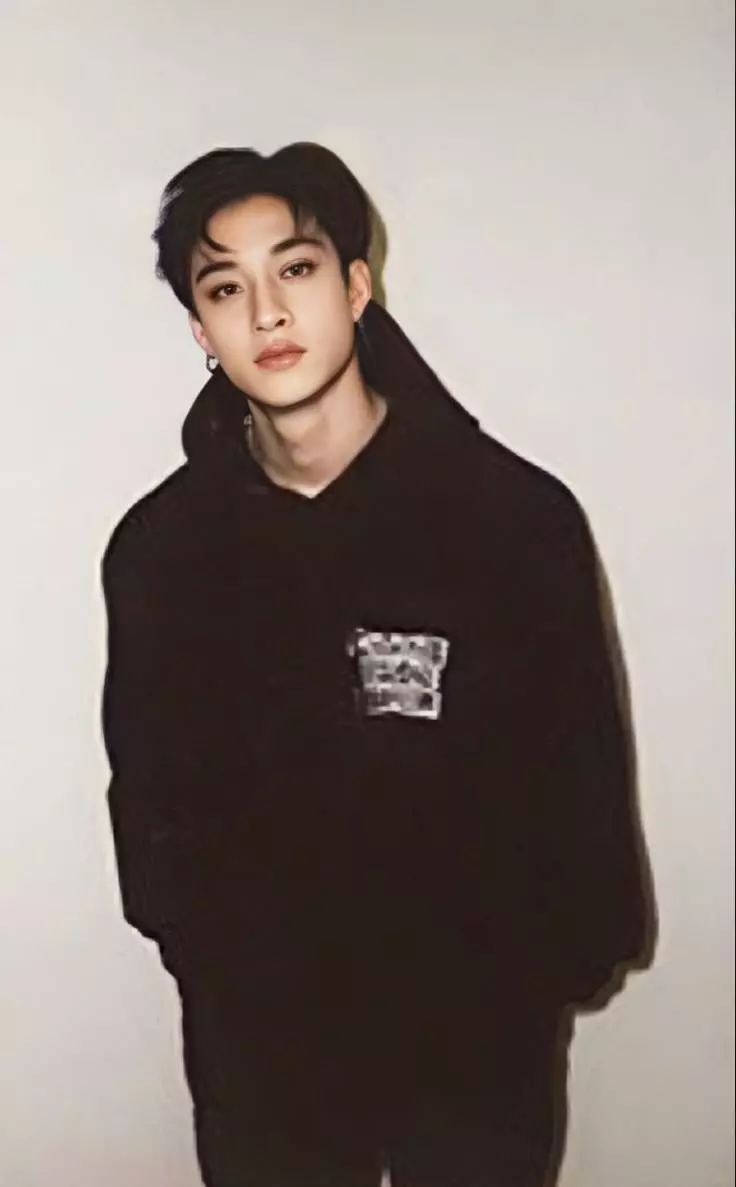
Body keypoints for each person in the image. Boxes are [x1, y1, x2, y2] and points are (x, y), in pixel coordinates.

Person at [101, 142, 650, 1187]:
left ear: (357, 287)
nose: (268, 313)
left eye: (296, 268)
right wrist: (214, 961)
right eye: (226, 287)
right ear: (201, 330)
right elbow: (151, 797)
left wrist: (542, 977)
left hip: (476, 1040)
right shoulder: (163, 551)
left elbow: (577, 784)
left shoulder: (513, 520)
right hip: (266, 1052)